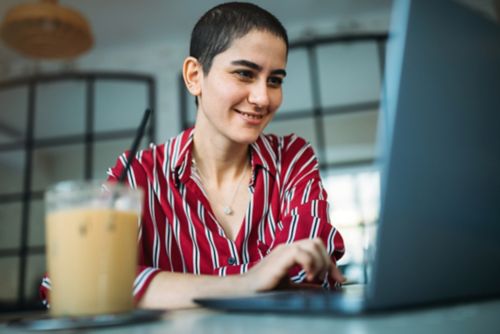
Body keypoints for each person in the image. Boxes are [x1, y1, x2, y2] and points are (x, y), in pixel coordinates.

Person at [41, 2, 345, 309]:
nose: (263, 97)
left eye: (275, 80)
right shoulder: (139, 174)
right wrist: (248, 281)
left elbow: (308, 271)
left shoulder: (292, 158)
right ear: (194, 76)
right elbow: (73, 281)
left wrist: (159, 288)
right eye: (244, 73)